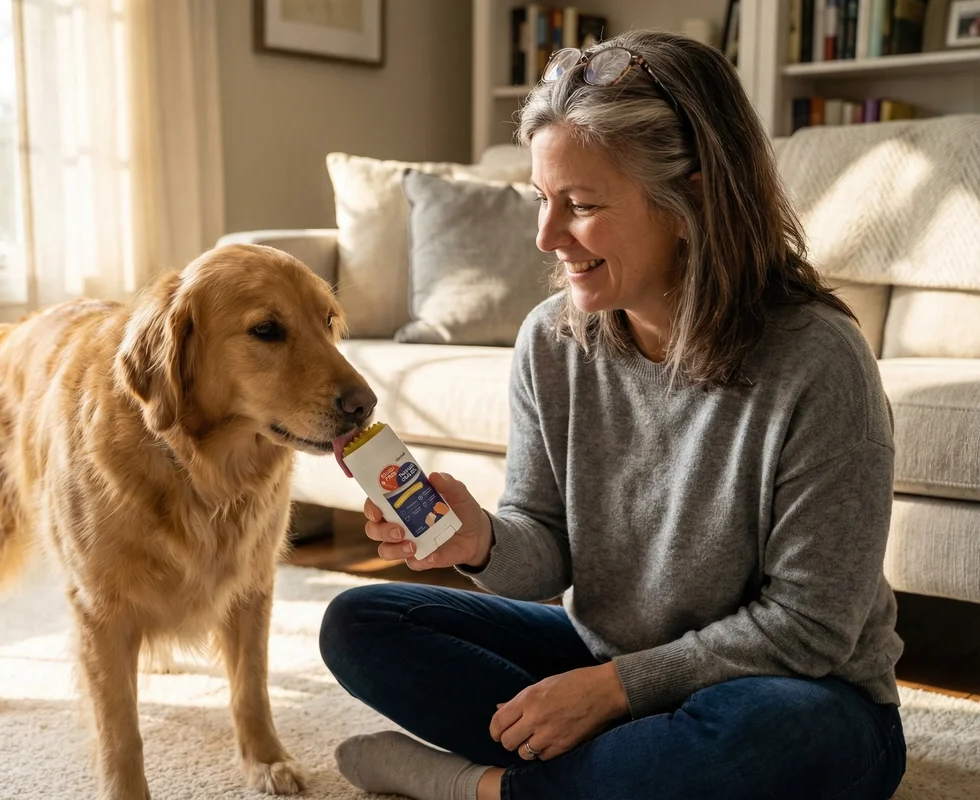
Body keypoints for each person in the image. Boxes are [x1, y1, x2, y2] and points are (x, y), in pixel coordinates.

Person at [318, 30, 907, 800]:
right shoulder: (550, 342)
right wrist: (482, 539)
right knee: (361, 624)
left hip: (799, 689)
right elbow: (546, 548)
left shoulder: (819, 362)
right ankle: (614, 776)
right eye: (542, 200)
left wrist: (612, 691)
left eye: (582, 205)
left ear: (691, 199)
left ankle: (483, 788)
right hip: (606, 657)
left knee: (773, 736)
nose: (546, 236)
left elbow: (809, 628)